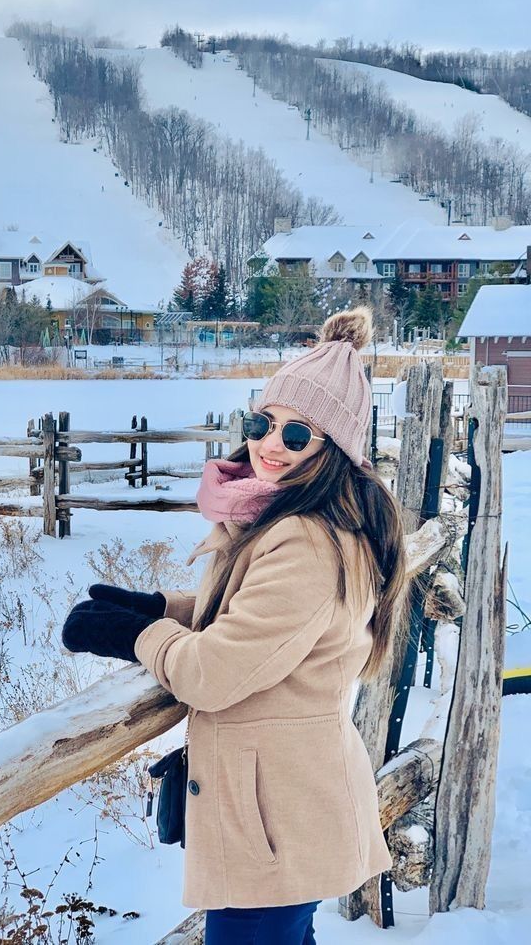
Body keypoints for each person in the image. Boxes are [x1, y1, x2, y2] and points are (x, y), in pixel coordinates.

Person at [62, 306, 408, 944]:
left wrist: (132, 636)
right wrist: (163, 609)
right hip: (280, 810)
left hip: (276, 822)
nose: (270, 444)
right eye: (263, 423)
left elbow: (214, 673)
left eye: (298, 435)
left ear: (334, 450)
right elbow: (267, 623)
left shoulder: (306, 540)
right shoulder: (299, 520)